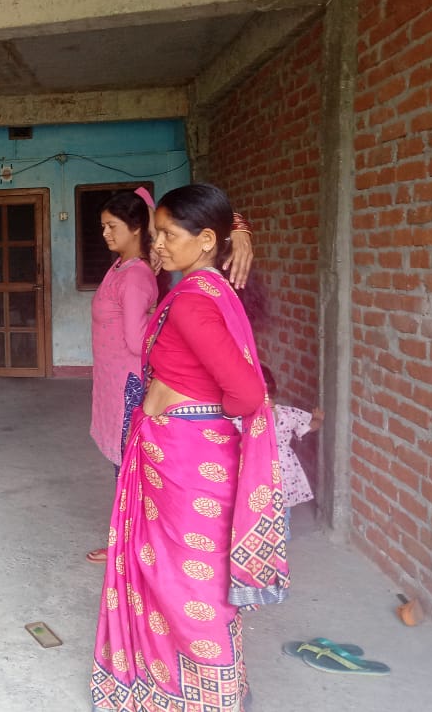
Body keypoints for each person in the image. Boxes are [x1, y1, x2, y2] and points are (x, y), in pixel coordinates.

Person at [89, 184, 288, 712]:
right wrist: (238, 229)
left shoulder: (193, 304)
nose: (158, 246)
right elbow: (217, 216)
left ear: (204, 241)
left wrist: (190, 418)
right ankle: (192, 689)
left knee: (188, 584)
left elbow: (246, 394)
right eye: (155, 234)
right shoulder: (206, 284)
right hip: (175, 454)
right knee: (174, 575)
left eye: (167, 236)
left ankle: (212, 697)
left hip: (184, 457)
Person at [87, 190, 158, 564]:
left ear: (135, 228)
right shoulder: (119, 268)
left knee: (128, 467)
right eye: (102, 227)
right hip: (114, 382)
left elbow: (137, 339)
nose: (105, 234)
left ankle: (129, 546)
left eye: (112, 227)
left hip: (128, 383)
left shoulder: (135, 276)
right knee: (122, 464)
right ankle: (127, 542)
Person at [262, 365, 321, 534]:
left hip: (260, 464)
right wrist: (318, 418)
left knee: (262, 502)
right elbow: (311, 427)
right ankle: (283, 533)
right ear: (276, 388)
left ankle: (262, 536)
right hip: (285, 464)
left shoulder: (249, 416)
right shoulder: (288, 414)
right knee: (284, 501)